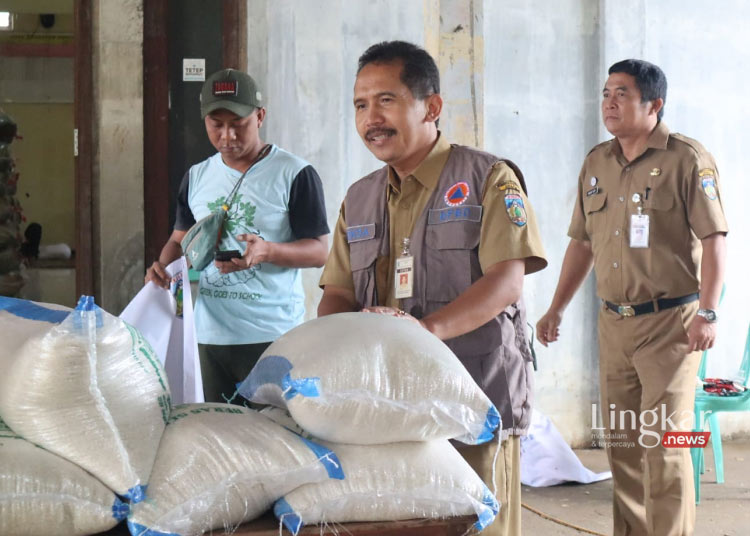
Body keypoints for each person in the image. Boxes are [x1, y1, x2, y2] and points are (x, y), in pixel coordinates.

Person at [317, 41, 546, 536]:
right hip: (388, 406)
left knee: (477, 527)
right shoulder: (358, 199)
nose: (371, 118)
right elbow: (337, 293)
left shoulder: (488, 178)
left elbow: (506, 281)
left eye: (386, 100)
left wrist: (423, 332)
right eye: (360, 105)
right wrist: (326, 356)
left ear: (432, 107)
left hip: (474, 398)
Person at [536, 59, 727, 536]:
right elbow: (582, 244)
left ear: (654, 104)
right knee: (622, 444)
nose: (609, 103)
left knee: (663, 443)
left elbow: (714, 239)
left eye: (621, 93)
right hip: (614, 325)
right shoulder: (597, 162)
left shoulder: (687, 159)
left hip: (671, 324)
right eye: (606, 93)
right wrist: (555, 308)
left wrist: (707, 312)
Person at [145, 68, 330, 403]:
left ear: (260, 117)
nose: (227, 135)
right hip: (208, 336)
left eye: (238, 123)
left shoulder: (294, 173)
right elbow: (179, 239)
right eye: (216, 124)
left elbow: (319, 251)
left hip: (272, 335)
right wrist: (161, 266)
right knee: (216, 439)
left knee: (273, 440)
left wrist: (267, 251)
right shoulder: (197, 176)